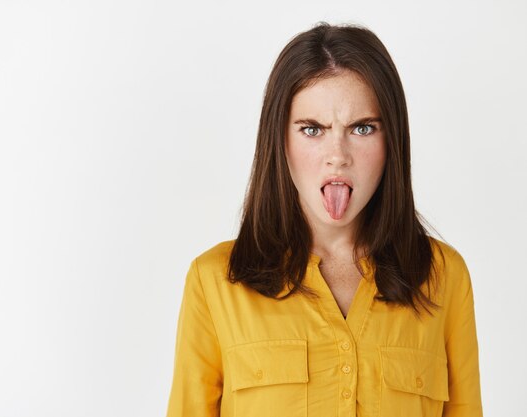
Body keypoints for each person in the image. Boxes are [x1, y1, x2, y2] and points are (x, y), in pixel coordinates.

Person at [166, 22, 483, 417]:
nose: (338, 155)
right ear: (279, 140)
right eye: (312, 129)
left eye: (362, 128)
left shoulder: (443, 278)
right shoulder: (214, 282)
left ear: (392, 142)